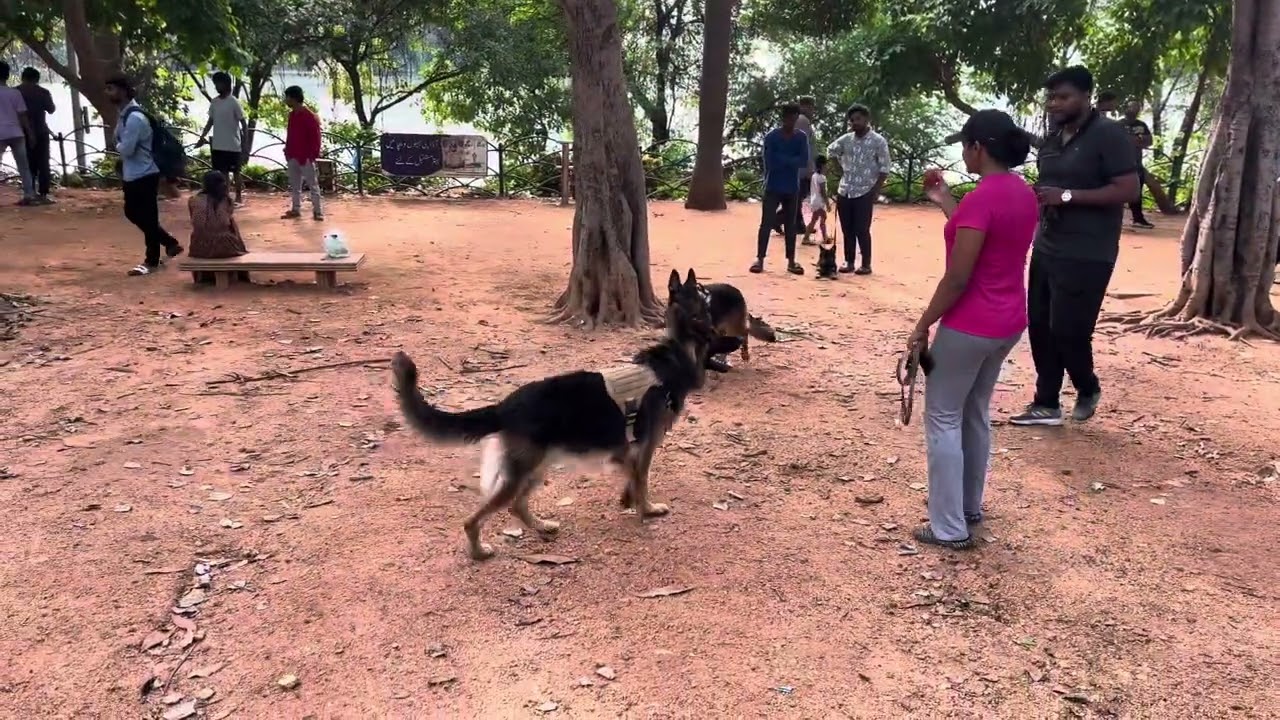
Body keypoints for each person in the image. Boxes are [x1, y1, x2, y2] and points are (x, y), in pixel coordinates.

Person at [908, 110, 1038, 549]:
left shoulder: (983, 198)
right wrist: (945, 200)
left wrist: (922, 325)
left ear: (978, 148)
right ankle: (967, 506)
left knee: (943, 416)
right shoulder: (1022, 193)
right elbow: (979, 235)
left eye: (965, 145)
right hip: (1007, 320)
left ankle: (948, 526)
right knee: (974, 411)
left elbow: (959, 277)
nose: (963, 153)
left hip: (970, 323)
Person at [1011, 66, 1139, 427]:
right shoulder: (1054, 138)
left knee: (1069, 329)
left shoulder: (1108, 135)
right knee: (1039, 325)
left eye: (1063, 97)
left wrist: (1067, 196)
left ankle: (1087, 386)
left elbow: (1129, 189)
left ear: (1086, 96)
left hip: (1088, 250)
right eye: (1051, 97)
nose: (1055, 103)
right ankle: (1046, 402)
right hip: (1048, 244)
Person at [105, 72, 184, 276]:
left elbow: (126, 149)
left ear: (123, 91)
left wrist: (117, 145)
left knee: (147, 216)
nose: (108, 93)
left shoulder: (135, 118)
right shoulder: (125, 115)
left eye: (111, 89)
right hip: (133, 173)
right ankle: (169, 242)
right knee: (133, 213)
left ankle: (152, 260)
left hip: (145, 173)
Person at [827, 104, 890, 275]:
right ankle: (849, 261)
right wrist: (839, 169)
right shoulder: (846, 139)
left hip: (865, 190)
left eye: (858, 119)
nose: (855, 123)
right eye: (852, 120)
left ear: (866, 119)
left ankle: (866, 264)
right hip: (845, 189)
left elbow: (884, 168)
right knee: (847, 228)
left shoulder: (878, 141)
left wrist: (876, 190)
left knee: (862, 229)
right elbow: (831, 151)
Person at [751, 103, 809, 275]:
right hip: (773, 185)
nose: (791, 121)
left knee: (791, 225)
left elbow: (803, 161)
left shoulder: (801, 137)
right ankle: (760, 259)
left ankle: (791, 260)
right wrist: (791, 160)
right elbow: (770, 162)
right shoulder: (772, 137)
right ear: (783, 118)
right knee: (766, 223)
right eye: (788, 118)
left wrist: (783, 159)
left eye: (794, 118)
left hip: (792, 187)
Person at [188, 170, 250, 285]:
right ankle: (242, 275)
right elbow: (225, 221)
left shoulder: (194, 200)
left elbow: (196, 222)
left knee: (202, 232)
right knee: (232, 225)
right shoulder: (227, 200)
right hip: (225, 247)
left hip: (200, 247)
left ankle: (202, 278)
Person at [196, 71, 248, 205]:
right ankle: (226, 197)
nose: (216, 87)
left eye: (218, 83)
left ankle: (239, 197)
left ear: (226, 84)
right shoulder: (214, 102)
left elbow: (243, 123)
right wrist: (202, 137)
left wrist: (244, 143)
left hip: (233, 144)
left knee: (236, 172)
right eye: (215, 84)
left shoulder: (234, 102)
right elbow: (210, 121)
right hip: (218, 144)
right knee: (222, 173)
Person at [778, 96, 819, 242]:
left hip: (801, 166)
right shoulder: (802, 121)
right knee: (798, 196)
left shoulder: (802, 121)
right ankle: (778, 219)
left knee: (799, 197)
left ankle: (798, 224)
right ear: (803, 106)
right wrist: (808, 167)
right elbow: (802, 146)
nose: (812, 110)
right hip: (801, 168)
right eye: (809, 106)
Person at [281, 85, 324, 221]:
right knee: (295, 185)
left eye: (288, 97)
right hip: (293, 154)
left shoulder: (309, 116)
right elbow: (290, 135)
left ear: (294, 98)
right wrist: (287, 151)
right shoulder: (292, 115)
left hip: (306, 156)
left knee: (313, 185)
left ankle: (318, 211)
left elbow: (316, 137)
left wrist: (312, 155)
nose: (286, 100)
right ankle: (296, 209)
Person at [0, 60, 36, 205]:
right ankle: (29, 194)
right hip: (16, 133)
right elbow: (22, 116)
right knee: (23, 166)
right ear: (7, 75)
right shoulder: (15, 93)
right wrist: (30, 134)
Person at [18, 67, 54, 204]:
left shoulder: (16, 92)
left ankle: (29, 192)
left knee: (26, 163)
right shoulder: (43, 92)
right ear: (37, 79)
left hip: (21, 132)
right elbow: (51, 109)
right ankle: (43, 194)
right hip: (41, 131)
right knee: (43, 162)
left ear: (23, 77)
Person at [1118, 99, 1155, 229]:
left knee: (1137, 191)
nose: (1134, 109)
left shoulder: (1142, 125)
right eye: (1132, 107)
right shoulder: (1119, 124)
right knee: (1118, 191)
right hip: (1120, 163)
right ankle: (1115, 220)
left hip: (1136, 163)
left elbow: (1149, 141)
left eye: (1137, 107)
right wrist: (1136, 140)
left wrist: (1134, 141)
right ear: (1126, 108)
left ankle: (1138, 219)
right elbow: (1116, 142)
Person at [802, 155, 830, 245]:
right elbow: (823, 192)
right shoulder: (822, 178)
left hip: (814, 201)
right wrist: (827, 203)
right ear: (822, 165)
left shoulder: (814, 175)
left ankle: (822, 236)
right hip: (819, 202)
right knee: (822, 218)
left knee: (815, 220)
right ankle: (824, 237)